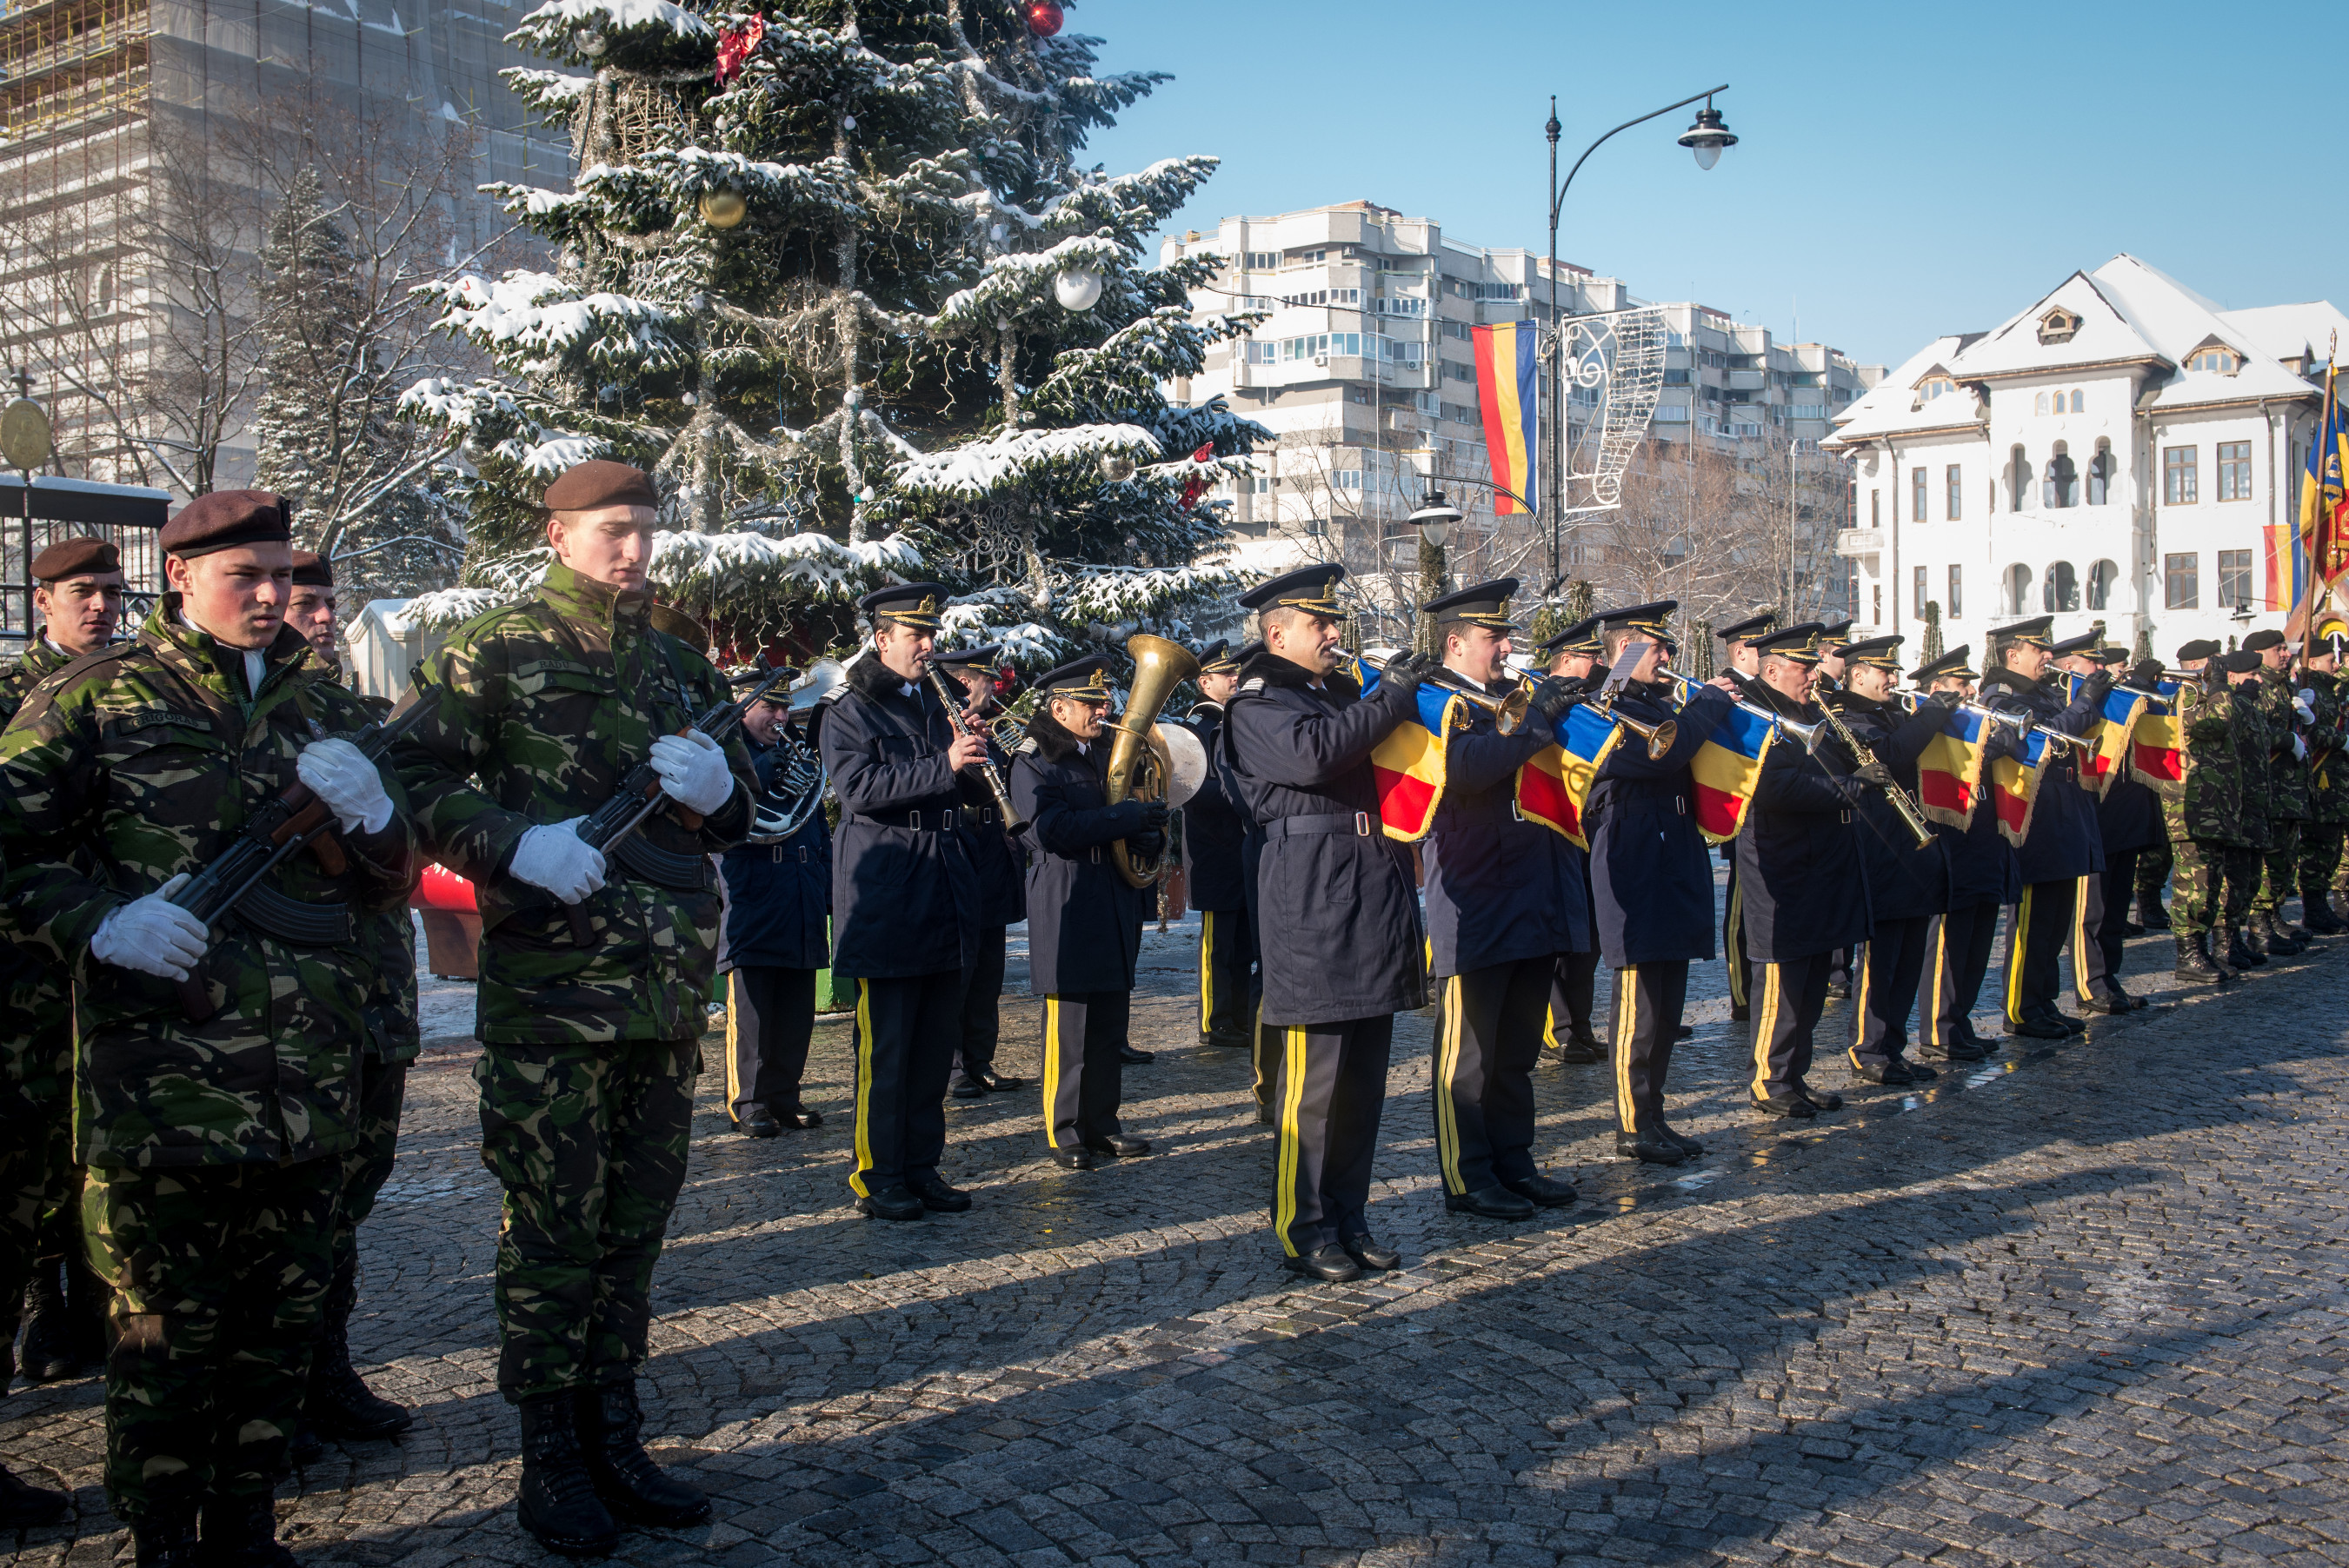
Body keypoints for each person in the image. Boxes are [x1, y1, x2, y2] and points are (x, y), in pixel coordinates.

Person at [0, 491, 413, 1562]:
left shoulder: (331, 713)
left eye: (282, 574)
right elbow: (11, 849)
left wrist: (375, 821)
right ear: (179, 579)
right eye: (247, 577)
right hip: (162, 1093)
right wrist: (102, 922)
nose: (273, 596)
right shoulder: (99, 702)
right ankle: (163, 1540)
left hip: (308, 1086)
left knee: (276, 1332)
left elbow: (387, 888)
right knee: (161, 1343)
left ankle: (245, 1527)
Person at [394, 460, 751, 1554]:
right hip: (552, 998)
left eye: (645, 529)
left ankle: (615, 1430)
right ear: (555, 536)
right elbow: (408, 779)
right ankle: (549, 1454)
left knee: (633, 1232)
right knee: (553, 1232)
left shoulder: (681, 664)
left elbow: (738, 818)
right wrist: (515, 845)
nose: (633, 550)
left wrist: (722, 794)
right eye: (611, 530)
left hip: (663, 997)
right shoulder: (492, 648)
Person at [1221, 564, 1434, 1283]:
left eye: (1334, 622)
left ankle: (1350, 1215)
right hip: (1310, 900)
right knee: (1314, 1088)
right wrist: (1392, 701)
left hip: (1368, 890)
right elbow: (1312, 758)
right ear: (1278, 632)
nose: (1336, 635)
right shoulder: (1257, 701)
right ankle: (1303, 1225)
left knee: (1364, 1083)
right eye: (1321, 624)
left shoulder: (1332, 693)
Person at [277, 548, 428, 1451]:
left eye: (329, 604)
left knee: (350, 1194)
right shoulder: (246, 726)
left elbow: (406, 848)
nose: (323, 619)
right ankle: (270, 1389)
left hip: (374, 996)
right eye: (307, 604)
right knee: (283, 1212)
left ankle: (324, 1369)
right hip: (291, 1011)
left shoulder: (361, 722)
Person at [0, 535, 128, 1525]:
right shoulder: (19, 697)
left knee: (82, 1187)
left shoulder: (131, 697)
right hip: (22, 1004)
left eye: (112, 592)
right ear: (41, 599)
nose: (101, 608)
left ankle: (72, 1323)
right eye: (83, 593)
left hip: (106, 1000)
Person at [818, 581, 987, 1223]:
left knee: (932, 1047)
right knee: (887, 1049)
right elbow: (858, 789)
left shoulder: (930, 701)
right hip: (887, 892)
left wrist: (972, 761)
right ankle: (877, 1172)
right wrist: (944, 763)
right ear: (882, 638)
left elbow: (957, 790)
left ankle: (922, 1165)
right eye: (916, 635)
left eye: (931, 634)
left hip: (942, 885)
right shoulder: (849, 709)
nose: (928, 646)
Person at [1417, 581, 1586, 1218]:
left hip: (1532, 891)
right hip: (1474, 895)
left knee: (1515, 1052)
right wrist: (1537, 717)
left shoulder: (1503, 698)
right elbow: (1463, 770)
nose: (1508, 647)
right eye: (1495, 637)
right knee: (1468, 1056)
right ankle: (1467, 1174)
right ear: (1456, 642)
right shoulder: (1434, 700)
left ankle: (1515, 1161)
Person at [1582, 602, 1738, 1163]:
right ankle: (1633, 1120)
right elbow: (1659, 754)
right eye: (1656, 648)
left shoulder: (1657, 703)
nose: (1668, 657)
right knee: (1642, 999)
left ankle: (1656, 1113)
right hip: (1633, 852)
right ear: (1623, 651)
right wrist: (1711, 706)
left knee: (1670, 999)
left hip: (1672, 845)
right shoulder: (1603, 708)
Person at [1008, 656, 1160, 1168]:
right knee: (1070, 1029)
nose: (1105, 710)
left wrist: (1146, 827)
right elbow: (1048, 831)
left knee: (1109, 1024)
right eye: (1092, 703)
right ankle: (1066, 1131)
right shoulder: (1033, 760)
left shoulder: (1101, 753)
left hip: (1111, 894)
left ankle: (1104, 1123)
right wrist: (1123, 818)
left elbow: (1118, 816)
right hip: (1066, 896)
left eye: (1104, 701)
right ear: (1059, 708)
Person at [1738, 623, 1871, 1119]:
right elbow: (1775, 787)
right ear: (1772, 669)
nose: (1814, 675)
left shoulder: (1815, 710)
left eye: (1814, 665)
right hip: (1782, 861)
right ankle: (1770, 1079)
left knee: (1814, 977)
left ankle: (1796, 1073)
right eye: (1803, 667)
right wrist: (1852, 788)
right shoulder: (1755, 712)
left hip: (1825, 860)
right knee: (1783, 974)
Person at [1824, 636, 1951, 1085]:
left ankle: (1893, 1046)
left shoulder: (1892, 713)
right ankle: (1869, 1048)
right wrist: (1934, 713)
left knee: (1909, 955)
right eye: (1885, 673)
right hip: (1880, 848)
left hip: (1913, 851)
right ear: (1858, 675)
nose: (1894, 680)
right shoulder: (1847, 715)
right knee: (1882, 957)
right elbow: (1892, 756)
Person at [1979, 620, 2106, 1039]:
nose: (2048, 657)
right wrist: (2086, 702)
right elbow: (2043, 741)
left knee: (2055, 921)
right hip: (2033, 822)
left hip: (2061, 816)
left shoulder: (2043, 693)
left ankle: (2043, 999)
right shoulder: (2004, 696)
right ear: (2013, 655)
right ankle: (2020, 1007)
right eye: (2039, 650)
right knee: (2032, 923)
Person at [717, 676, 830, 1135]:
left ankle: (785, 1096)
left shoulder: (796, 750)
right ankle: (749, 1102)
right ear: (743, 707)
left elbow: (815, 816)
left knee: (796, 1008)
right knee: (753, 1008)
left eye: (785, 709)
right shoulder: (724, 749)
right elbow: (726, 804)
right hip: (753, 888)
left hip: (801, 885)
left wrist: (823, 885)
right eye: (771, 708)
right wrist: (766, 764)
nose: (782, 718)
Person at [933, 645, 1028, 1100]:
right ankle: (951, 1065)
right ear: (967, 682)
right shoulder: (936, 724)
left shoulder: (989, 726)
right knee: (959, 967)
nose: (998, 685)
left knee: (989, 967)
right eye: (989, 678)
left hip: (991, 850)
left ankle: (980, 1059)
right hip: (958, 848)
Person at [1913, 648, 2013, 1063]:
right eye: (1961, 684)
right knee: (1948, 946)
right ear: (1937, 689)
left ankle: (1961, 1020)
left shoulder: (1975, 723)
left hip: (1984, 843)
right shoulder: (1929, 723)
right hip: (1952, 845)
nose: (1971, 691)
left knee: (1976, 944)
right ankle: (1939, 1028)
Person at [2073, 650, 2162, 1013]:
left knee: (2113, 911)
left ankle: (2109, 978)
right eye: (2092, 662)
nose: (2102, 669)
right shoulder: (2071, 697)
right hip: (2094, 818)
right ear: (2069, 666)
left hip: (2124, 817)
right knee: (2091, 912)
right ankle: (2090, 984)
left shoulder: (2107, 694)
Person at [1534, 615, 1606, 1063]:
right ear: (1567, 659)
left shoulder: (1594, 696)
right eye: (1591, 657)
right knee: (1557, 938)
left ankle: (1579, 1025)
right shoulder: (1540, 697)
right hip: (1553, 827)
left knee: (1588, 937)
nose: (1598, 663)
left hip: (1590, 826)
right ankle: (1554, 1030)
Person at [1181, 641, 1254, 1050]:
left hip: (1241, 847)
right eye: (1228, 674)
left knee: (1243, 942)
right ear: (1205, 682)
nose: (1235, 679)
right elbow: (1190, 789)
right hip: (1214, 849)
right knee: (1219, 944)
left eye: (1235, 672)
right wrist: (1243, 795)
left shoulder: (1232, 721)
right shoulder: (1197, 728)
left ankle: (1239, 1015)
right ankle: (1215, 1018)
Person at [2160, 642, 2239, 983]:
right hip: (2189, 807)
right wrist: (2220, 686)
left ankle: (2202, 949)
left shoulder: (2200, 694)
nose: (2218, 666)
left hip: (2213, 805)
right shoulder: (2183, 695)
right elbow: (2217, 723)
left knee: (2211, 882)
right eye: (2212, 662)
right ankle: (2188, 953)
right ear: (2193, 664)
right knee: (2194, 882)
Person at [1713, 610, 1777, 1022]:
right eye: (1760, 647)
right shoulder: (1730, 689)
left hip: (1773, 815)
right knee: (1740, 907)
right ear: (1741, 650)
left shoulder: (1764, 689)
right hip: (1743, 809)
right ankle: (1742, 993)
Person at [2247, 628, 2313, 954]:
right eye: (2279, 649)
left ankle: (2273, 916)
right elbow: (2255, 729)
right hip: (2270, 786)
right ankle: (2260, 926)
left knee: (2285, 859)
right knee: (2268, 859)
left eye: (2285, 649)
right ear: (2260, 654)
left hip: (2290, 787)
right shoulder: (2257, 686)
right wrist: (2288, 739)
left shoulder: (2285, 684)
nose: (2286, 653)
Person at [2219, 648, 2275, 971]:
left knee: (2250, 879)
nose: (2257, 681)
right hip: (2236, 807)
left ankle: (2237, 939)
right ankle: (2225, 943)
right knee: (2234, 879)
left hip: (2256, 805)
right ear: (2232, 678)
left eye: (2258, 675)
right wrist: (2237, 698)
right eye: (2251, 676)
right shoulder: (2232, 705)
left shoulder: (2251, 707)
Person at [2299, 620, 2349, 933]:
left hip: (2338, 781)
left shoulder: (2329, 689)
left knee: (2331, 848)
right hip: (2322, 780)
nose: (2336, 665)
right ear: (2314, 662)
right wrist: (2341, 739)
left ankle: (2327, 906)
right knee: (2318, 847)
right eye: (2331, 660)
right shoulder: (2310, 690)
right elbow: (2312, 731)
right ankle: (2314, 909)